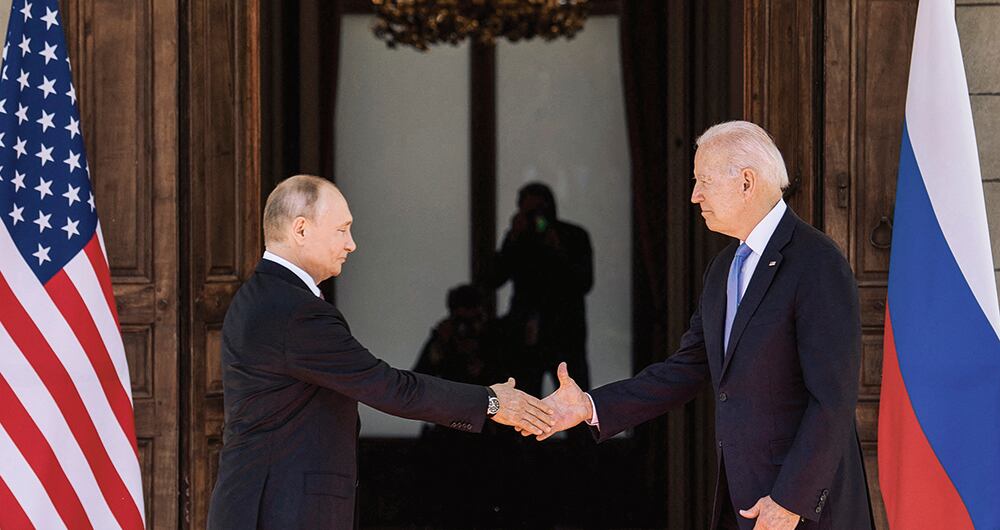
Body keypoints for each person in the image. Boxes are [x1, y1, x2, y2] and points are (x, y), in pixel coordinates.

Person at [534, 122, 874, 530]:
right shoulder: (723, 269)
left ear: (747, 182)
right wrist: (590, 407)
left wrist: (790, 500)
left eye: (703, 181)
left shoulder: (816, 262)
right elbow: (686, 369)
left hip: (801, 509)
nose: (695, 195)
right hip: (741, 500)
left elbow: (832, 399)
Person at [207, 175, 554, 530]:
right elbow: (388, 386)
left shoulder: (263, 296)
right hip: (281, 509)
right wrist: (491, 403)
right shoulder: (295, 310)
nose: (351, 244)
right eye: (342, 230)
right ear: (300, 230)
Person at [491, 182, 593, 400]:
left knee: (576, 405)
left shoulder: (573, 236)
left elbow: (584, 282)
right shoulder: (518, 239)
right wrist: (511, 240)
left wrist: (559, 250)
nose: (537, 219)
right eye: (529, 212)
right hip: (526, 335)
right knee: (525, 404)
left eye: (541, 211)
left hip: (565, 333)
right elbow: (492, 279)